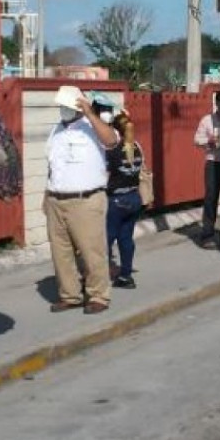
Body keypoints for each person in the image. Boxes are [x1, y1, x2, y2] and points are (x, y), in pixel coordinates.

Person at [45, 89, 118, 313]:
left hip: (85, 200)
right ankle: (70, 295)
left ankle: (98, 296)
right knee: (61, 252)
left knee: (91, 251)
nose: (64, 110)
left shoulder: (93, 126)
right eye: (62, 106)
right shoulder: (56, 130)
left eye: (68, 106)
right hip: (56, 199)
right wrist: (46, 196)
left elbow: (111, 140)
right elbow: (53, 165)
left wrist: (90, 113)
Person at [105, 113, 146, 289]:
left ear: (115, 131)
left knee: (105, 240)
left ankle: (98, 278)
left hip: (116, 200)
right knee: (126, 238)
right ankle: (126, 276)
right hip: (134, 198)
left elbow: (105, 177)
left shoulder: (112, 152)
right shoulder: (137, 147)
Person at [192, 91, 220, 248]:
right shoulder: (207, 120)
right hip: (213, 163)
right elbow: (196, 139)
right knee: (211, 198)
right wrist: (209, 141)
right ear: (217, 103)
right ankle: (207, 235)